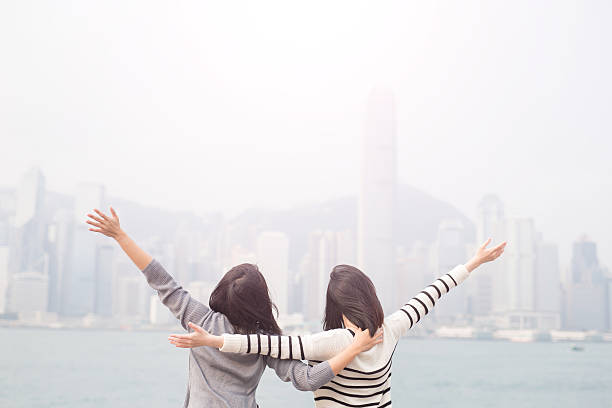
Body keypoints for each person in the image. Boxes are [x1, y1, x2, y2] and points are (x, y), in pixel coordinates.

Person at [86, 208, 383, 408]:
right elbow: (307, 380)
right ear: (261, 301)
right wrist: (353, 349)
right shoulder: (268, 342)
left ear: (221, 292)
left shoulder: (199, 320)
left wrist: (120, 235)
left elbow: (158, 277)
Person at [168, 238, 506, 407]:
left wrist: (214, 341)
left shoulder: (331, 342)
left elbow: (263, 343)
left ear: (334, 303)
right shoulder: (392, 328)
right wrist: (473, 262)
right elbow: (431, 294)